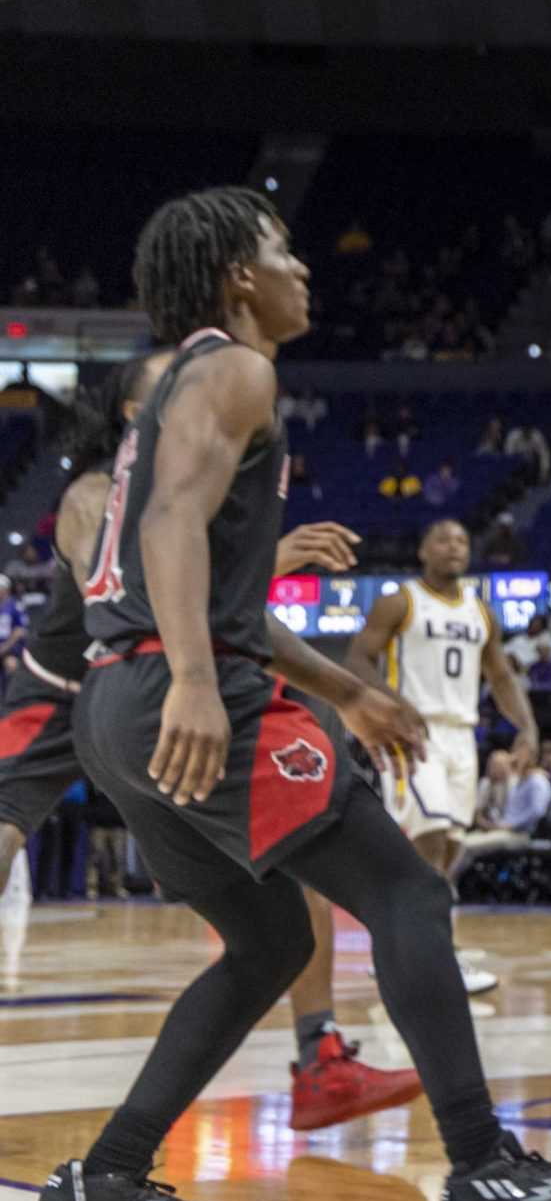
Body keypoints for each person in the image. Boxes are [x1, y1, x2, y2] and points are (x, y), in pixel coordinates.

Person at [35, 187, 551, 1201]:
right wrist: (192, 679)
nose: (303, 269)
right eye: (283, 250)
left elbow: (194, 575)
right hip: (181, 688)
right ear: (237, 276)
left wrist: (349, 688)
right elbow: (176, 528)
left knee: (268, 943)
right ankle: (483, 1167)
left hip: (114, 702)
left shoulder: (181, 388)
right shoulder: (233, 365)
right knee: (408, 893)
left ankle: (107, 1178)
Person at [0, 353, 420, 1136]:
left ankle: (319, 1051)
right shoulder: (94, 493)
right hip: (66, 690)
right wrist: (256, 568)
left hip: (144, 690)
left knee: (300, 842)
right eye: (172, 385)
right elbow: (139, 592)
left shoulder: (200, 494)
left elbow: (207, 609)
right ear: (134, 414)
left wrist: (245, 565)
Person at [341, 519, 540, 997]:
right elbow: (357, 659)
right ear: (423, 550)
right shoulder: (400, 602)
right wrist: (393, 704)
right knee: (429, 842)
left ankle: (398, 948)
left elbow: (502, 677)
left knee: (450, 849)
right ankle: (433, 956)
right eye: (444, 539)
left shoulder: (480, 610)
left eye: (463, 540)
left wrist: (528, 727)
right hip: (414, 735)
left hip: (461, 738)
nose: (455, 546)